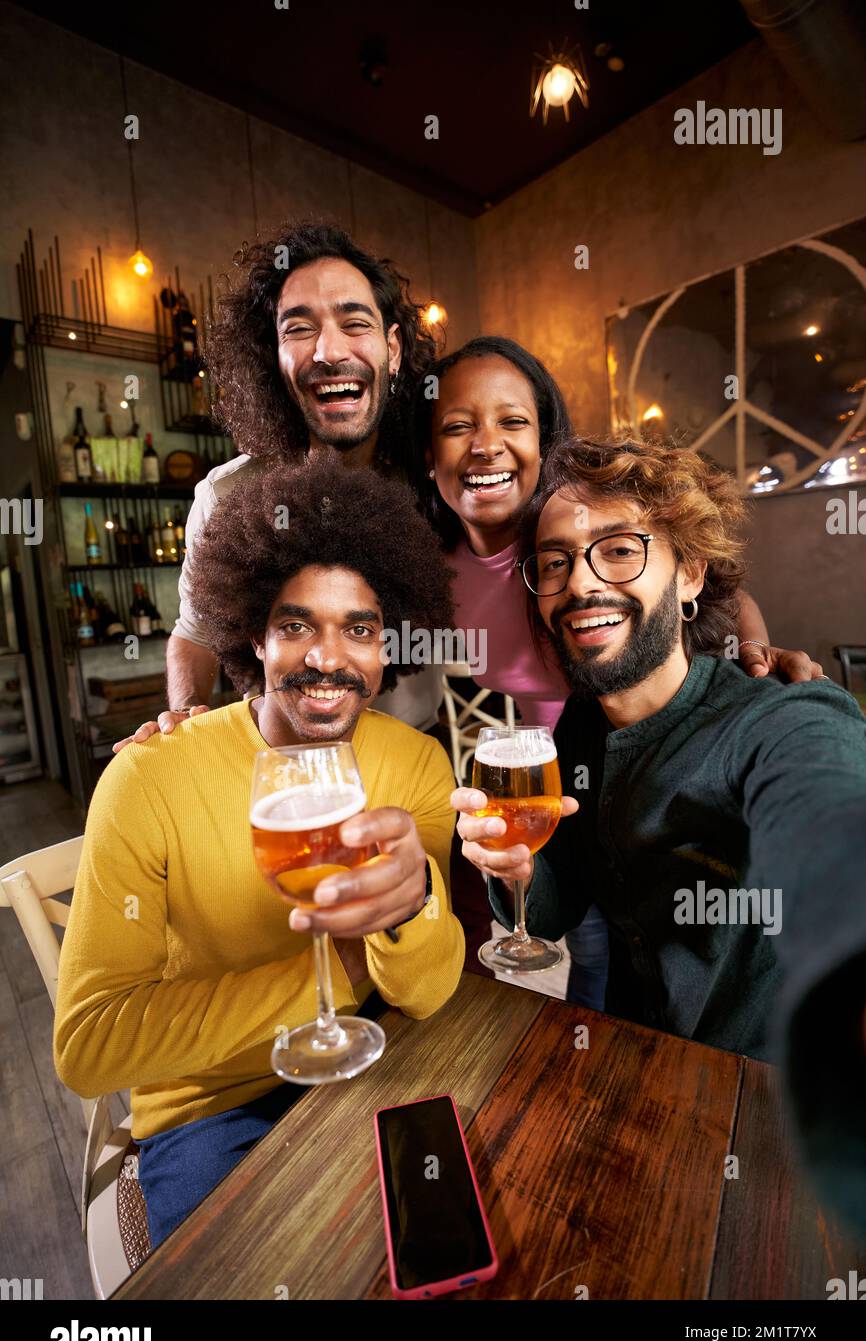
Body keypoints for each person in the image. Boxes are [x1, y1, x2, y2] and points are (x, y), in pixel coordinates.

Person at [452, 434, 866, 1237]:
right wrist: (511, 872)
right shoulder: (574, 730)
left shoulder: (776, 715)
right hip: (638, 1089)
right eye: (557, 562)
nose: (582, 585)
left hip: (774, 1125)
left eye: (618, 550)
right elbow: (558, 905)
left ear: (691, 573)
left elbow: (825, 815)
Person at [54, 462, 465, 1248]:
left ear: (388, 647)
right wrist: (345, 968)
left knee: (453, 1242)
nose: (326, 658)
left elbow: (427, 991)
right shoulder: (148, 776)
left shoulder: (413, 763)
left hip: (378, 1057)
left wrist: (414, 908)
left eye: (361, 628)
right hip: (209, 1111)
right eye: (296, 624)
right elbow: (89, 1046)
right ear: (252, 633)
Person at [413, 337, 824, 1002]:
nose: (484, 443)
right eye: (458, 426)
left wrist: (756, 659)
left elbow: (818, 781)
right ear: (429, 459)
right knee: (603, 947)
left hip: (664, 735)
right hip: (571, 765)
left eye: (512, 421)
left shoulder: (564, 524)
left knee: (685, 942)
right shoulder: (429, 570)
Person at [112, 221, 443, 751]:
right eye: (299, 328)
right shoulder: (227, 497)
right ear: (275, 359)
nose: (328, 351)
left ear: (393, 348)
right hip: (282, 760)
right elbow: (194, 636)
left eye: (354, 322)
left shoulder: (436, 480)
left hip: (414, 752)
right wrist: (182, 717)